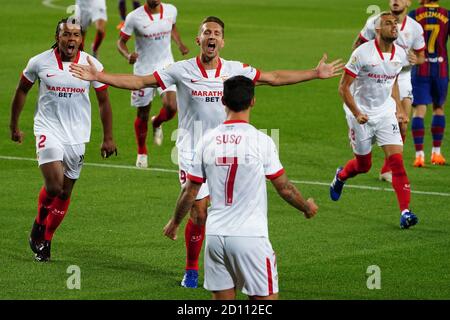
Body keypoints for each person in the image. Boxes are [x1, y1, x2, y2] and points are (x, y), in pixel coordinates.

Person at [70, 16, 343, 287]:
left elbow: (274, 78)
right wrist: (99, 76)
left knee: (224, 211)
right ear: (198, 40)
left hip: (227, 149)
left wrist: (314, 73)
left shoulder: (236, 70)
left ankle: (226, 261)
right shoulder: (180, 70)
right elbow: (141, 82)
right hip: (192, 150)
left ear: (222, 41)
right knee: (199, 212)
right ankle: (191, 269)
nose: (211, 36)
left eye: (217, 33)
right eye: (206, 32)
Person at [163, 76, 318, 300]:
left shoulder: (206, 141)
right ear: (253, 102)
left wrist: (175, 222)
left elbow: (190, 192)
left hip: (215, 239)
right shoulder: (260, 141)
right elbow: (285, 189)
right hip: (250, 238)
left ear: (222, 100)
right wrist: (306, 207)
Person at [9, 18, 117, 262]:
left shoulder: (92, 64)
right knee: (55, 185)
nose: (71, 39)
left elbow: (104, 102)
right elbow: (21, 91)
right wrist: (14, 125)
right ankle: (39, 221)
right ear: (57, 37)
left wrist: (108, 137)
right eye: (66, 34)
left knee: (66, 192)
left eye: (76, 35)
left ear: (81, 39)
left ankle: (46, 239)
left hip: (77, 135)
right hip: (48, 129)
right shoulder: (39, 62)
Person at [330, 12, 418, 229]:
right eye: (388, 24)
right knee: (363, 165)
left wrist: (398, 108)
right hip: (360, 115)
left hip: (385, 113)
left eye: (395, 23)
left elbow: (393, 82)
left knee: (397, 162)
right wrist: (357, 112)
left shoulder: (400, 54)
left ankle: (405, 212)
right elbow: (343, 87)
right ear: (378, 30)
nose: (394, 27)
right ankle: (340, 176)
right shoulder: (362, 54)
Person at [354, 0, 426, 182]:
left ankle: (387, 169)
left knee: (402, 122)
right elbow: (357, 44)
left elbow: (421, 57)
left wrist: (415, 59)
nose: (395, 1)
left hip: (401, 77)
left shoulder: (415, 28)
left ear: (408, 2)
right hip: (375, 76)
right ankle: (363, 146)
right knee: (368, 127)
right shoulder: (375, 22)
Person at [118, 0, 189, 168]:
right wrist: (127, 55)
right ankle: (142, 151)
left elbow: (172, 27)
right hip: (143, 71)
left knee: (172, 107)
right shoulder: (134, 17)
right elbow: (120, 42)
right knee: (142, 113)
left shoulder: (171, 10)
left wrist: (179, 43)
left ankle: (157, 122)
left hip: (167, 66)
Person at [409, 0, 449, 167]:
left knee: (419, 111)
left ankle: (419, 156)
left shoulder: (414, 15)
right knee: (438, 108)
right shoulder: (447, 15)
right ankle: (437, 154)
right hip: (441, 68)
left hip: (420, 67)